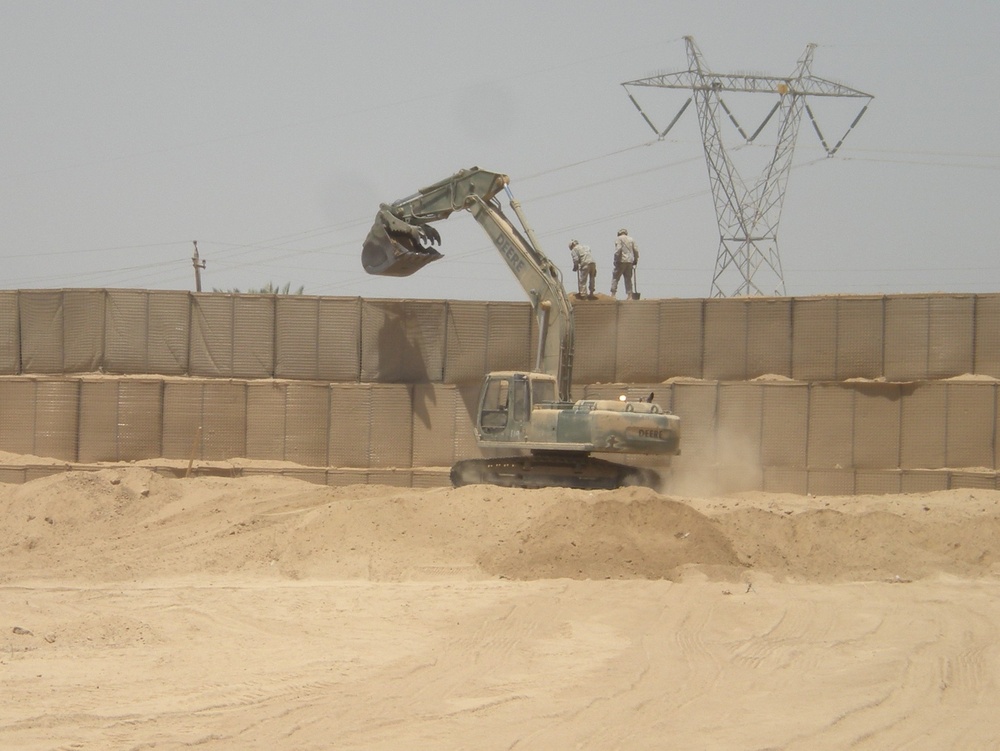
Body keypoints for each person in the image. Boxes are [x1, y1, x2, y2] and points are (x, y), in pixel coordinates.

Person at [610, 228, 639, 300]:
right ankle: (630, 295)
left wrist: (615, 260)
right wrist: (635, 260)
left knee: (615, 277)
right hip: (630, 261)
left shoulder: (619, 239)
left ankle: (613, 294)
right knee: (628, 279)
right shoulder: (631, 239)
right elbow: (636, 250)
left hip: (621, 261)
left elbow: (618, 250)